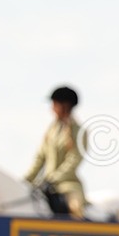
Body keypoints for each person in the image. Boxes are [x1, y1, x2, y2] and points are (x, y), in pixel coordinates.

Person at [25, 86, 88, 219]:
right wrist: (26, 180)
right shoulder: (51, 131)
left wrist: (52, 179)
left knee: (75, 208)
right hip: (45, 185)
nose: (52, 108)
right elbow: (39, 158)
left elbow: (73, 161)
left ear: (65, 106)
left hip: (67, 185)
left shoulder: (79, 132)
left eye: (54, 104)